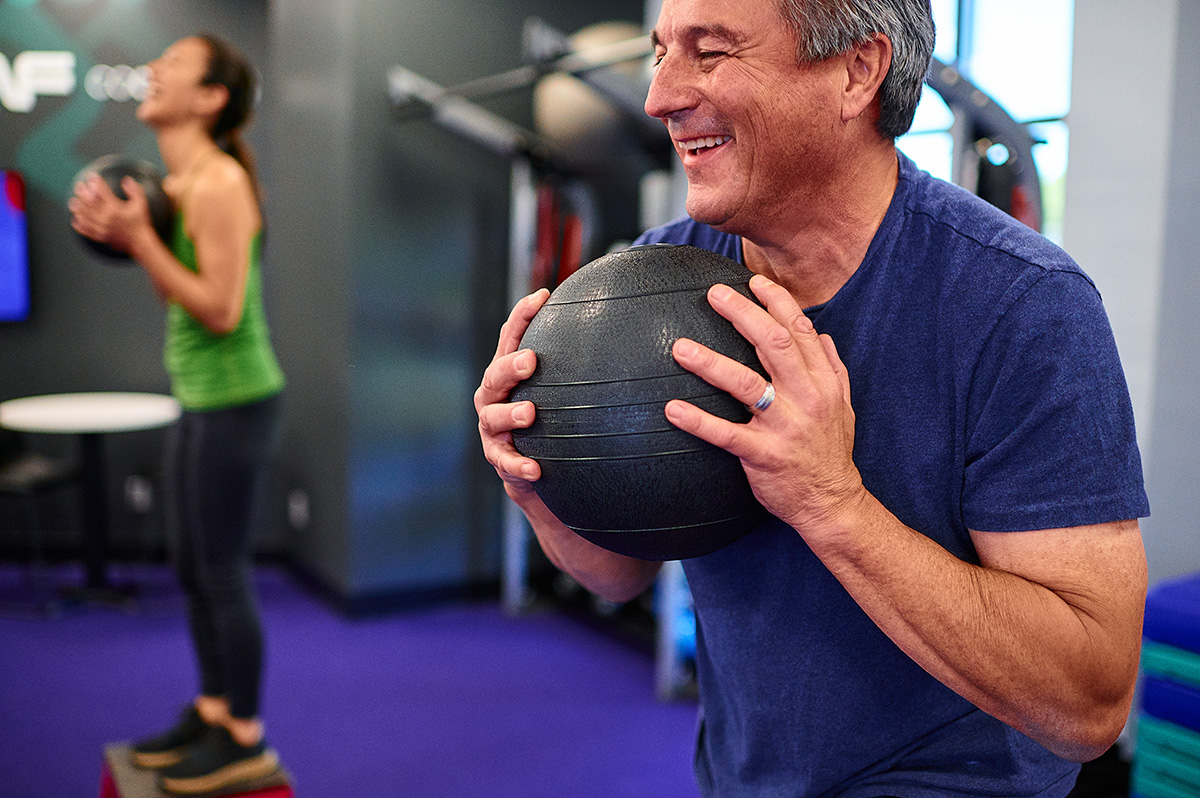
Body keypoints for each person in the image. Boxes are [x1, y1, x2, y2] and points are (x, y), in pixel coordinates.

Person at [477, 0, 1150, 795]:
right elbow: (615, 573)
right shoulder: (654, 282)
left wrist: (830, 502)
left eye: (711, 50)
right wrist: (535, 477)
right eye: (662, 51)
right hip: (742, 778)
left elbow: (1088, 705)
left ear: (857, 70)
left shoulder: (1023, 306)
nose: (659, 96)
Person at [70, 34, 284, 795]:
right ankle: (213, 708)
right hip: (199, 396)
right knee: (193, 566)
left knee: (221, 571)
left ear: (210, 97)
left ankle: (245, 737)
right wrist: (131, 237)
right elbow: (173, 292)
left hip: (237, 398)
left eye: (173, 63)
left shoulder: (220, 180)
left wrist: (137, 238)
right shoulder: (179, 181)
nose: (154, 70)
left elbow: (221, 311)